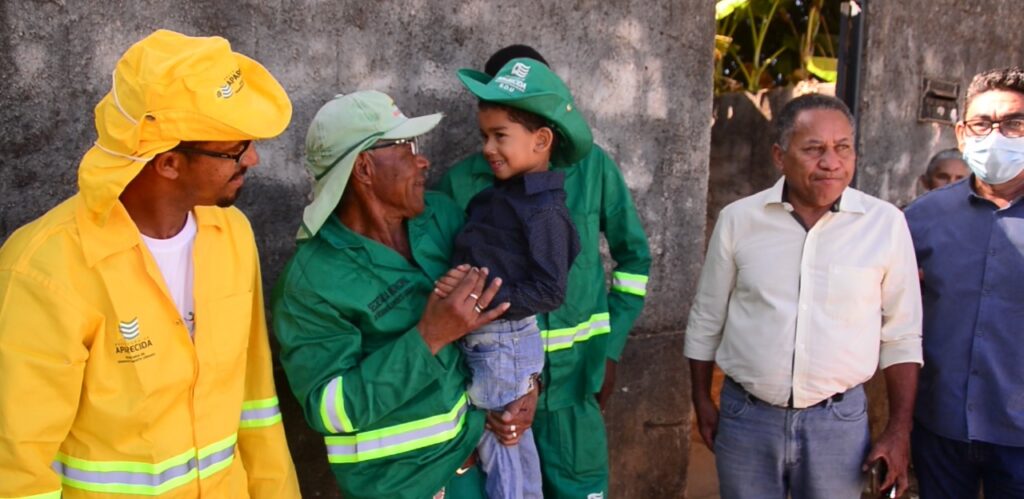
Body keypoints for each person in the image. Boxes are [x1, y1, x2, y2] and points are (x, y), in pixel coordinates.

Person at [0, 30, 300, 498]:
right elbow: (17, 465)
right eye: (235, 150)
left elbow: (256, 404)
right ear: (167, 164)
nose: (254, 159)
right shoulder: (47, 267)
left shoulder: (232, 236)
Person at [271, 90, 537, 499]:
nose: (423, 160)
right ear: (363, 168)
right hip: (402, 487)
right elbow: (331, 410)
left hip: (478, 464)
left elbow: (514, 296)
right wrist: (429, 336)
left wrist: (530, 382)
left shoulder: (442, 216)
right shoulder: (311, 283)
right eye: (407, 147)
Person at [437, 46, 652, 499]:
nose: (493, 145)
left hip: (576, 389)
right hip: (495, 394)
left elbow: (634, 261)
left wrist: (609, 349)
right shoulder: (461, 184)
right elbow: (448, 294)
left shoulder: (594, 169)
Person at [685, 94, 923, 499]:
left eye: (842, 147)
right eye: (814, 149)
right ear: (780, 156)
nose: (831, 162)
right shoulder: (739, 220)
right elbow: (707, 318)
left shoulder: (886, 225)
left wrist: (899, 431)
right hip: (747, 418)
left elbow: (901, 336)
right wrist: (701, 401)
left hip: (839, 422)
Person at [436, 57, 586, 499]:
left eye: (500, 136)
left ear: (541, 141)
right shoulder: (500, 197)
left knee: (509, 458)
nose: (487, 147)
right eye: (485, 136)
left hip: (503, 344)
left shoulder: (544, 211)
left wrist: (479, 302)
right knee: (494, 447)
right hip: (485, 341)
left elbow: (549, 289)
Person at [904, 67, 1024, 499]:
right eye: (982, 123)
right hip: (940, 428)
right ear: (961, 133)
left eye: (1014, 123)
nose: (997, 134)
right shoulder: (921, 218)